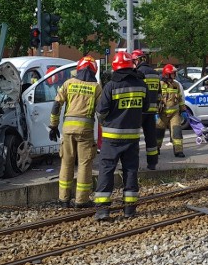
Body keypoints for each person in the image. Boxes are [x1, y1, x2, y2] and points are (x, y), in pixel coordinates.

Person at [94, 51, 147, 221]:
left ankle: (103, 210)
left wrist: (105, 121)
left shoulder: (111, 86)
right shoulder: (141, 84)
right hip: (132, 137)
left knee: (107, 170)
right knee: (130, 170)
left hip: (112, 138)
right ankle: (129, 209)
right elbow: (146, 109)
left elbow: (101, 111)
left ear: (116, 67)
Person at [48, 56, 102, 208]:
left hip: (67, 130)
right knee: (85, 164)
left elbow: (56, 105)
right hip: (85, 130)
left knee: (66, 162)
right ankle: (81, 201)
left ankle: (63, 199)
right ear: (93, 71)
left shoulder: (68, 83)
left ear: (79, 69)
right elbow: (101, 112)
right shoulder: (96, 87)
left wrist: (53, 126)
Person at [131, 49, 160, 170]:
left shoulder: (138, 72)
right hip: (152, 111)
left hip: (140, 110)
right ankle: (152, 164)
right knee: (151, 138)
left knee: (133, 138)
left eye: (133, 61)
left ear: (137, 60)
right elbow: (159, 93)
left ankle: (132, 164)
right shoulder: (154, 73)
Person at [156, 64, 186, 158]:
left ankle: (178, 151)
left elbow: (180, 99)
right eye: (173, 73)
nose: (175, 75)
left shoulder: (176, 85)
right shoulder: (160, 85)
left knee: (177, 131)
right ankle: (155, 149)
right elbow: (155, 99)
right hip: (162, 114)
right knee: (158, 133)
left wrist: (183, 110)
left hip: (174, 113)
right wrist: (155, 111)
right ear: (167, 74)